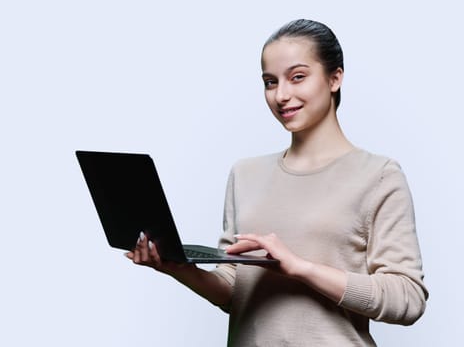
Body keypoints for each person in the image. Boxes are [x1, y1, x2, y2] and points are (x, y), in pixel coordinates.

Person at [127, 19, 428, 346]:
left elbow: (407, 298)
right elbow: (235, 290)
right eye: (270, 82)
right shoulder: (245, 174)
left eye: (297, 77)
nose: (281, 95)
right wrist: (175, 267)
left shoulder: (379, 175)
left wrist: (300, 268)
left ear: (335, 78)